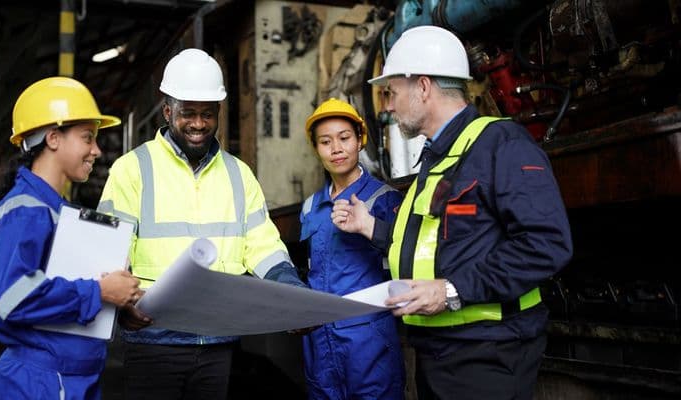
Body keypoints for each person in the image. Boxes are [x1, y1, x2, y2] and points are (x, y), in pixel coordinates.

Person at [331, 25, 573, 400]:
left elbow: (546, 244)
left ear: (423, 87)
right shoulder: (442, 154)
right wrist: (371, 228)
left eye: (392, 92)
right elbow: (438, 240)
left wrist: (450, 291)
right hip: (441, 351)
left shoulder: (502, 145)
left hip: (488, 354)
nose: (388, 106)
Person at [97, 48, 306, 400]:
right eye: (188, 113)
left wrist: (290, 289)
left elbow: (264, 246)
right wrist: (122, 307)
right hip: (153, 341)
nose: (198, 124)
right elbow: (108, 254)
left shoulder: (239, 175)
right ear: (168, 111)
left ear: (218, 113)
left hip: (217, 342)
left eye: (207, 114)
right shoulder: (132, 169)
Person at [0, 76, 142, 400]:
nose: (97, 150)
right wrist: (100, 291)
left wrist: (120, 306)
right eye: (88, 138)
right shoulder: (25, 210)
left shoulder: (60, 212)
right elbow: (12, 298)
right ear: (53, 138)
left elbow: (67, 290)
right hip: (39, 384)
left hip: (72, 379)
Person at [300, 98, 406, 400]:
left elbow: (406, 259)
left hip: (368, 338)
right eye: (325, 141)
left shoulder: (385, 199)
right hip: (320, 338)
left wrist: (369, 226)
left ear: (360, 140)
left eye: (345, 138)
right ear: (316, 148)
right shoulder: (310, 207)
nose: (336, 148)